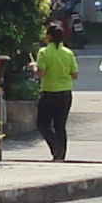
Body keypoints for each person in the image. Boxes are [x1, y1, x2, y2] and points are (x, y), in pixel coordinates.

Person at [32, 21, 77, 161]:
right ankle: (61, 155)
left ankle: (55, 146)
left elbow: (40, 73)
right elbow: (74, 75)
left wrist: (33, 67)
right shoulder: (68, 53)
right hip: (65, 93)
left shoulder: (44, 52)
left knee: (43, 123)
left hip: (49, 92)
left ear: (49, 36)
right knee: (60, 125)